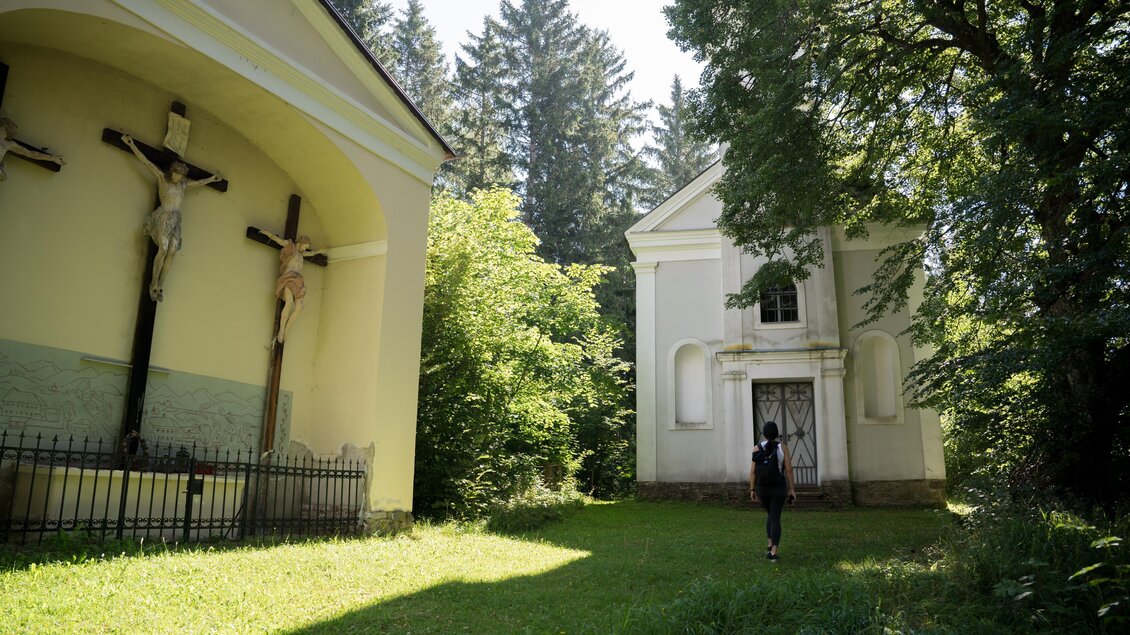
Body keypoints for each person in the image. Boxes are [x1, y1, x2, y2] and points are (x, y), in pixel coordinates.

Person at [122, 133, 221, 301]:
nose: (178, 177)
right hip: (163, 216)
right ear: (172, 172)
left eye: (181, 176)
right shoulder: (162, 179)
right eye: (176, 174)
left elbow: (198, 183)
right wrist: (132, 145)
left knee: (173, 250)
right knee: (164, 247)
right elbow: (145, 162)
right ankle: (153, 283)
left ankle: (161, 284)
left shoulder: (183, 185)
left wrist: (212, 179)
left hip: (176, 220)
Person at [258, 229, 324, 344]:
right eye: (305, 246)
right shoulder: (290, 247)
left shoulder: (302, 254)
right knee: (289, 303)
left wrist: (319, 251)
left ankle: (287, 330)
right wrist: (266, 233)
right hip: (289, 278)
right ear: (301, 243)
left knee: (299, 307)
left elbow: (310, 254)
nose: (305, 249)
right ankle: (281, 330)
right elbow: (277, 239)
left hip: (299, 281)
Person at [749, 421, 796, 562]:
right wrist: (792, 489)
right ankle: (773, 552)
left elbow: (752, 471)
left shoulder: (756, 448)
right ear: (776, 434)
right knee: (775, 517)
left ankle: (770, 543)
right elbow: (788, 470)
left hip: (762, 489)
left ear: (764, 433)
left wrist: (752, 489)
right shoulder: (783, 448)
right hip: (778, 488)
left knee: (770, 515)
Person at [0, 117, 65, 181]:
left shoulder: (9, 144)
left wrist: (52, 158)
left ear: (6, 129)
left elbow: (31, 154)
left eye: (1, 126)